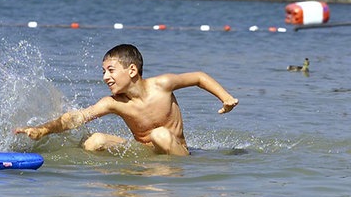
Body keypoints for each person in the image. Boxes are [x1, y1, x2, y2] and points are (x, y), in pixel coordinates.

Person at [15, 44, 238, 156]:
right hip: (145, 153)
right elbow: (76, 117)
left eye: (110, 70)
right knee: (94, 140)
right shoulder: (114, 102)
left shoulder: (162, 85)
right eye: (103, 71)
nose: (105, 77)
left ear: (132, 70)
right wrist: (42, 130)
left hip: (178, 151)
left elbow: (198, 77)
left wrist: (225, 98)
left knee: (159, 134)